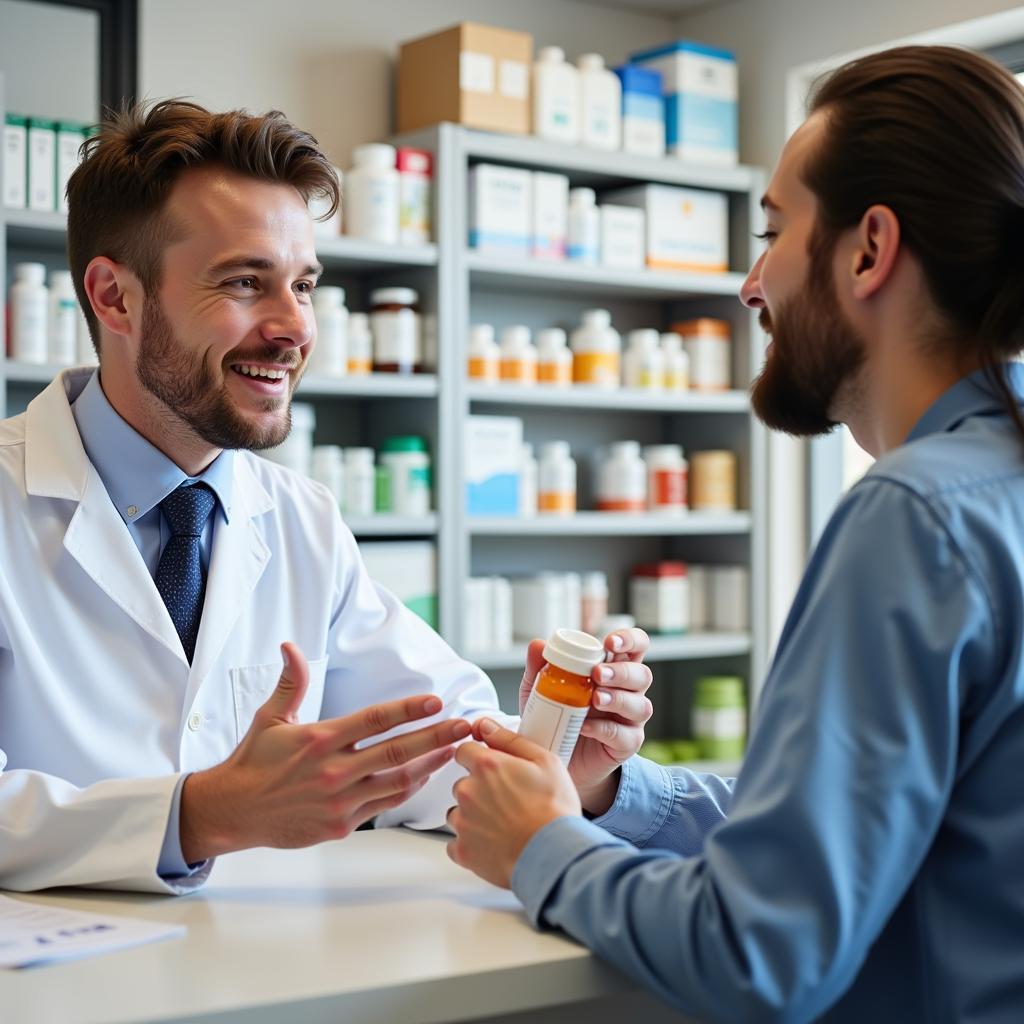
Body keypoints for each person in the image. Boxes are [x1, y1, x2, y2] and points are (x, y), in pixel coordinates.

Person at [447, 44, 1024, 1023]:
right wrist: (606, 795)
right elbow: (851, 828)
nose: (751, 285)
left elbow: (759, 950)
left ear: (867, 250)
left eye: (774, 230)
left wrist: (541, 848)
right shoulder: (992, 488)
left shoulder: (913, 516)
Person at [0, 100, 653, 894]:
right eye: (245, 282)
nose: (294, 328)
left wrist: (560, 765)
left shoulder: (300, 518)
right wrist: (201, 815)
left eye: (303, 285)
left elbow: (426, 741)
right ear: (115, 298)